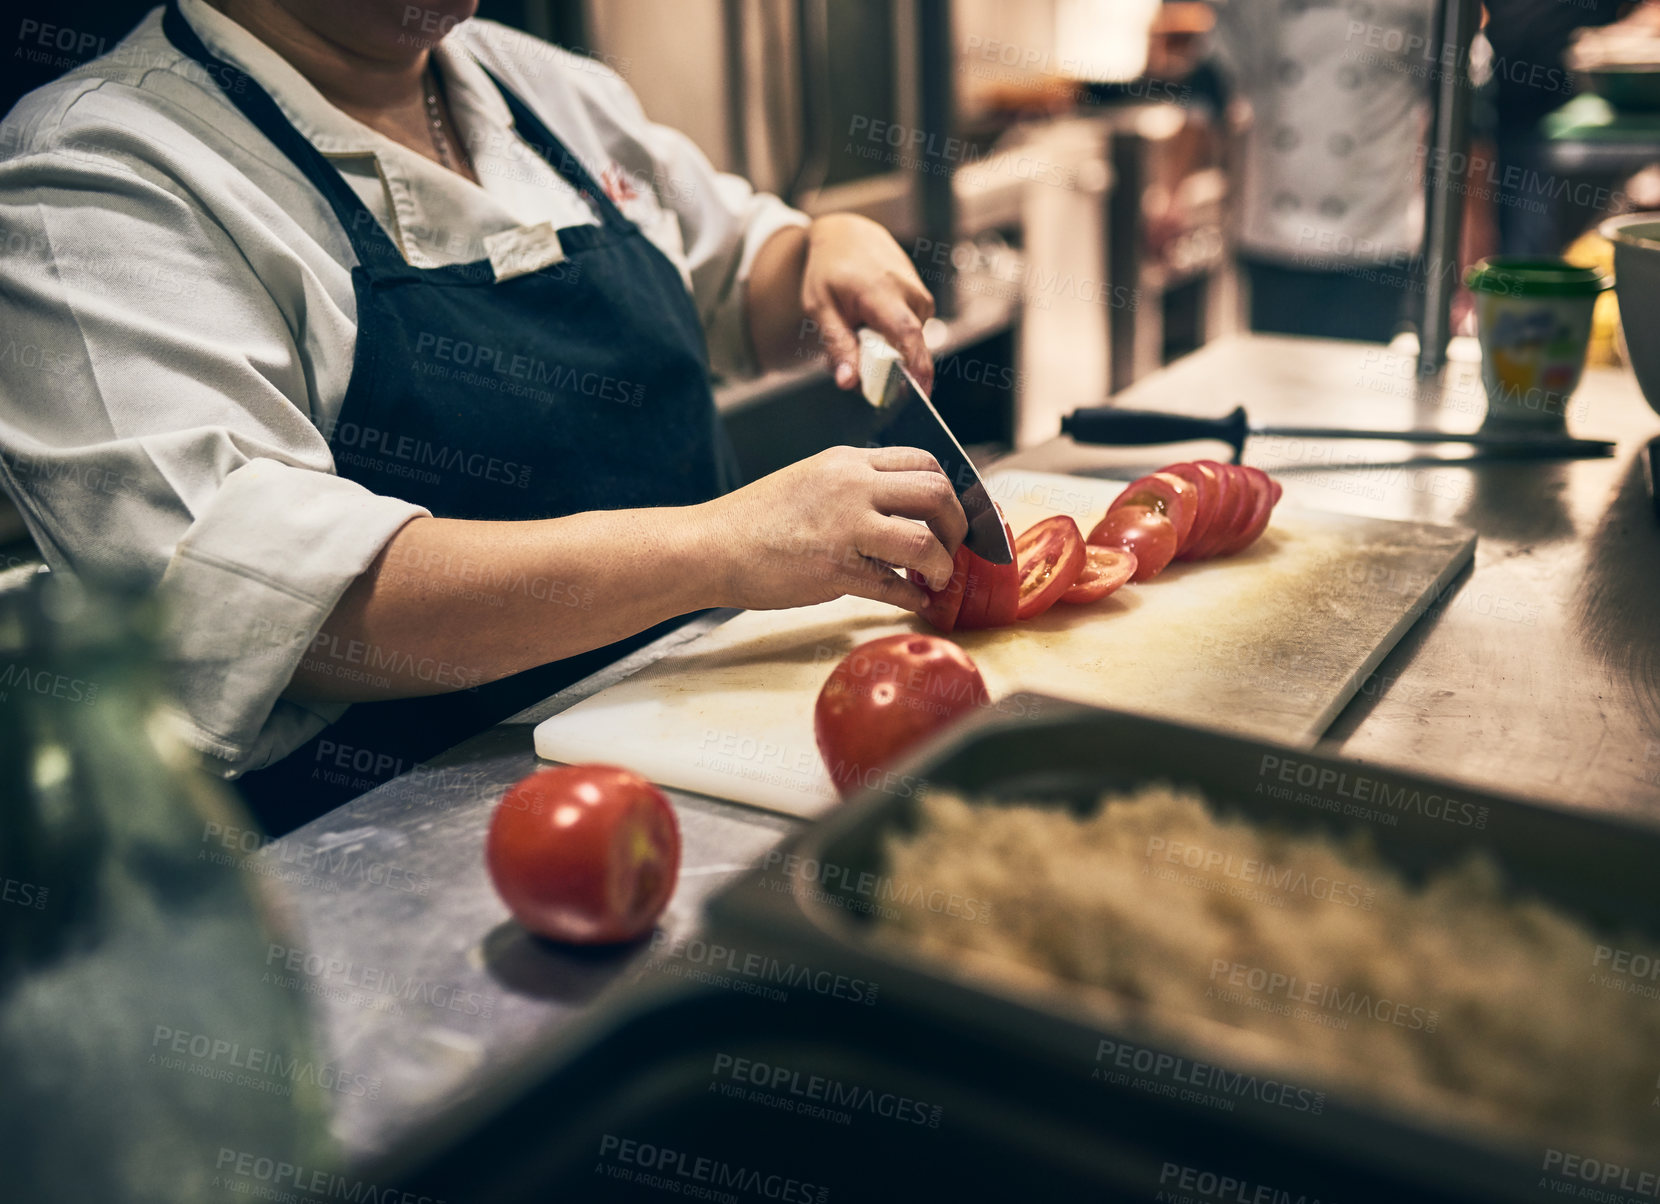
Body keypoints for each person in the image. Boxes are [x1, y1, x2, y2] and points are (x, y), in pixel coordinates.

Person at [0, 0, 964, 831]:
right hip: (407, 848)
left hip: (707, 745)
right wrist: (720, 546)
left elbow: (744, 281)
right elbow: (274, 603)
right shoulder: (97, 174)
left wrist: (821, 247)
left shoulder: (533, 82)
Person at [1199, 0, 1436, 342]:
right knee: (1275, 380)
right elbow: (1213, 87)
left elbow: (1462, 104)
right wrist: (1177, 189)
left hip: (1373, 235)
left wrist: (1468, 242)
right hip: (1273, 238)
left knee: (1359, 383)